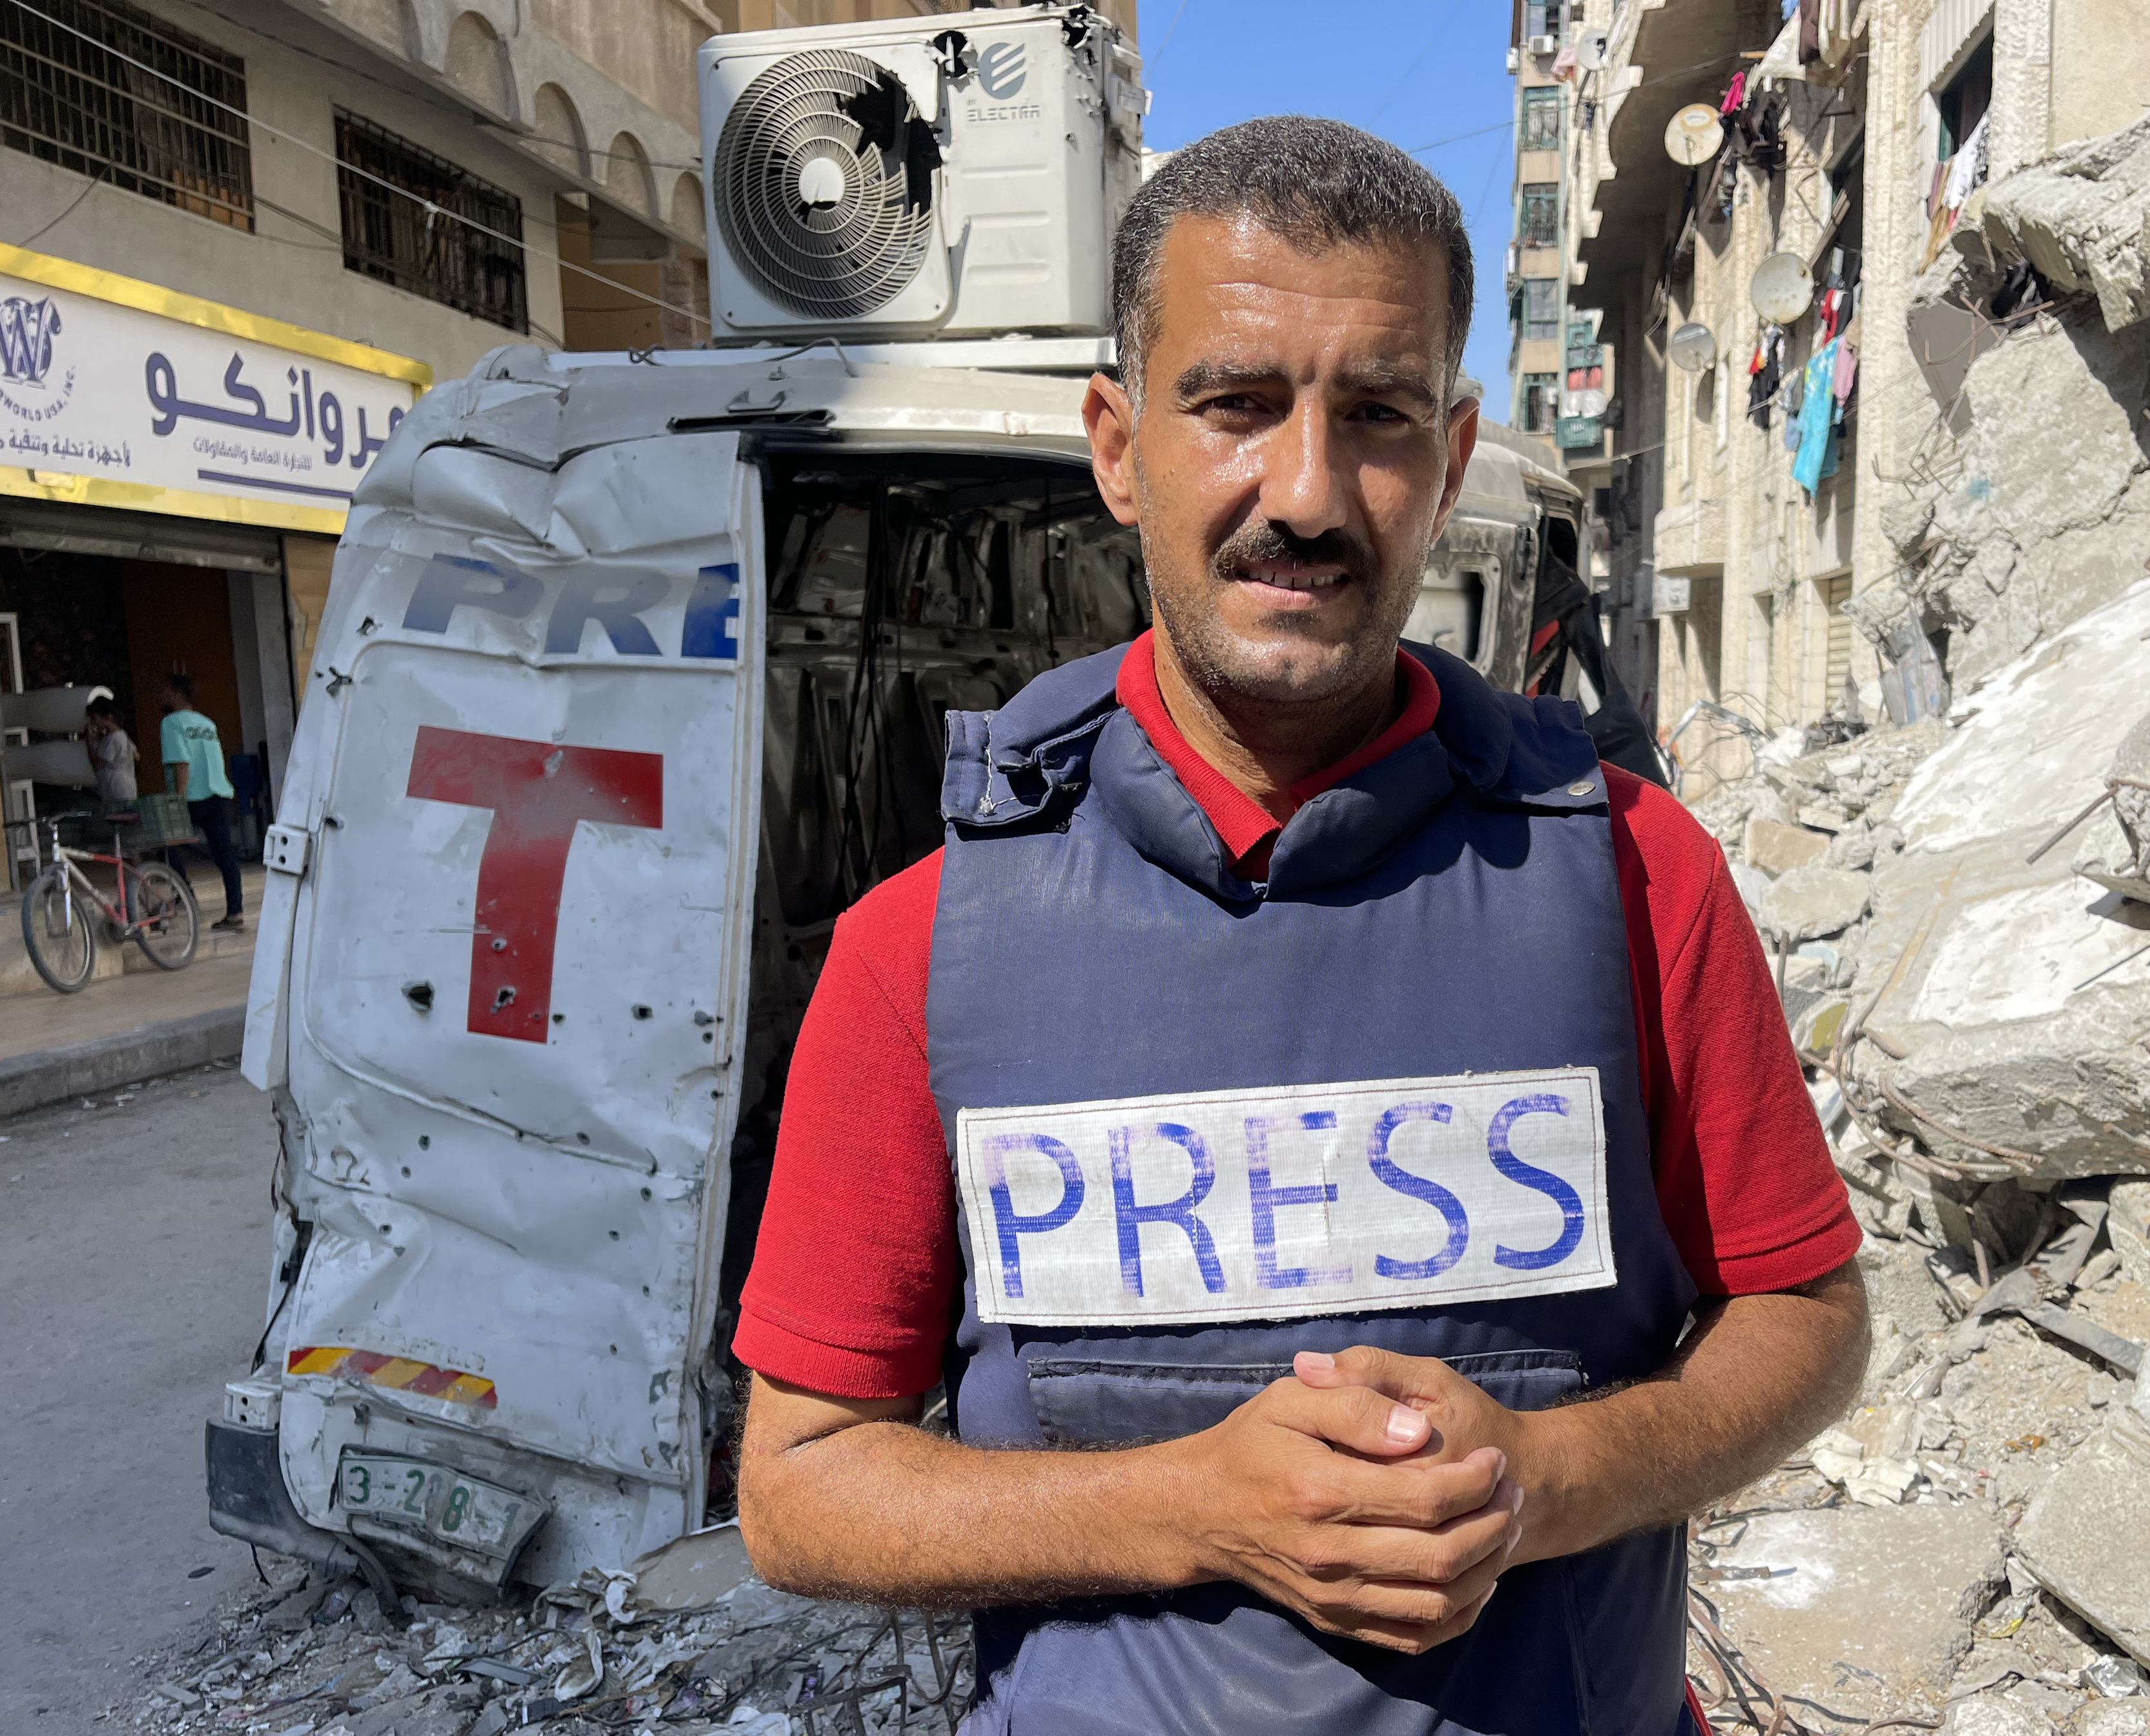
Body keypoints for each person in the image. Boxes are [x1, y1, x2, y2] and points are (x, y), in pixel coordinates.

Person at [732, 117, 1868, 1734]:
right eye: (1237, 405)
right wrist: (1196, 1505)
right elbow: (800, 1487)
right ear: (1121, 446)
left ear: (1456, 456)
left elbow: (1807, 1319)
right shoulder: (924, 947)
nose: (1310, 492)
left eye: (1380, 415)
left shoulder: (1634, 872)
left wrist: (1544, 1477)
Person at [160, 674, 242, 931]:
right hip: (217, 793)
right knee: (225, 855)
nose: (162, 696)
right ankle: (236, 912)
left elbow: (181, 762)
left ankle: (184, 893)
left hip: (191, 797)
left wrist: (178, 800)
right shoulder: (208, 724)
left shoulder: (171, 723)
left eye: (165, 691)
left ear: (175, 693)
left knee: (165, 844)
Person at [84, 696, 137, 809]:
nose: (93, 722)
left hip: (117, 790)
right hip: (125, 787)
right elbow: (136, 755)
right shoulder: (121, 735)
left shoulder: (113, 739)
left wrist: (90, 741)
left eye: (94, 718)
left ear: (107, 718)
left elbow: (98, 765)